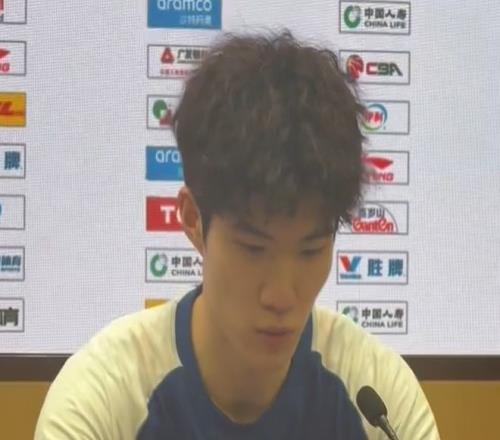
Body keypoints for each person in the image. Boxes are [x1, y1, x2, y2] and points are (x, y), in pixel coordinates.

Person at [35, 31, 439, 439]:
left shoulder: (378, 396)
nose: (281, 296)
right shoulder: (103, 401)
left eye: (310, 249)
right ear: (193, 220)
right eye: (253, 249)